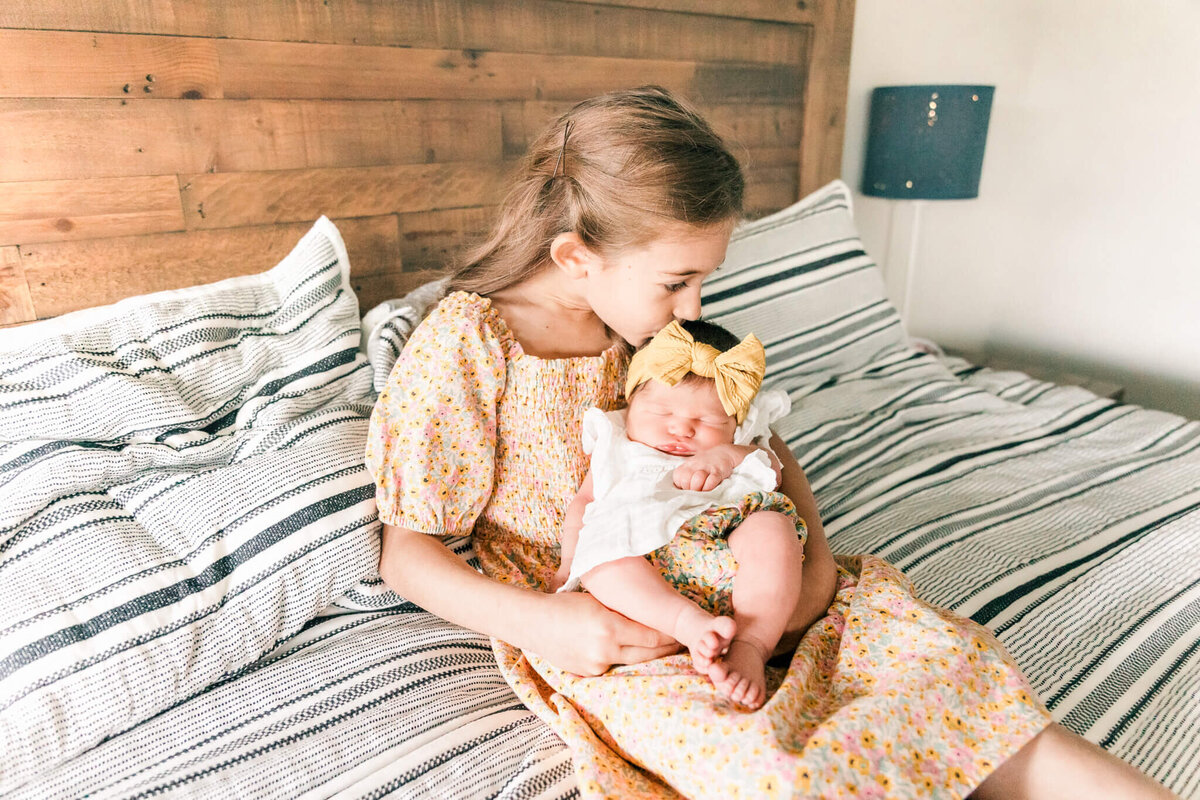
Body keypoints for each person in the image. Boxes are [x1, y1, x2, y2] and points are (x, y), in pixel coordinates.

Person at [366, 86, 1176, 799]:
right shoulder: (471, 345)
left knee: (950, 683)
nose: (695, 306)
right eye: (678, 279)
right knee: (766, 764)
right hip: (622, 613)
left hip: (745, 556)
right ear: (576, 257)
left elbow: (764, 445)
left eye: (705, 279)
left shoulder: (652, 327)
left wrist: (814, 560)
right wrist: (547, 626)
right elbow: (407, 552)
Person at [552, 318, 805, 710]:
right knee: (601, 560)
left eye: (707, 422)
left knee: (772, 528)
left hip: (727, 547)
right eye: (660, 411)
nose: (681, 430)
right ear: (631, 402)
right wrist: (570, 562)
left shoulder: (740, 444)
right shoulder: (614, 441)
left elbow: (773, 469)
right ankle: (688, 624)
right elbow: (584, 505)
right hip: (644, 565)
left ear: (735, 424)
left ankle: (752, 644)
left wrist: (727, 456)